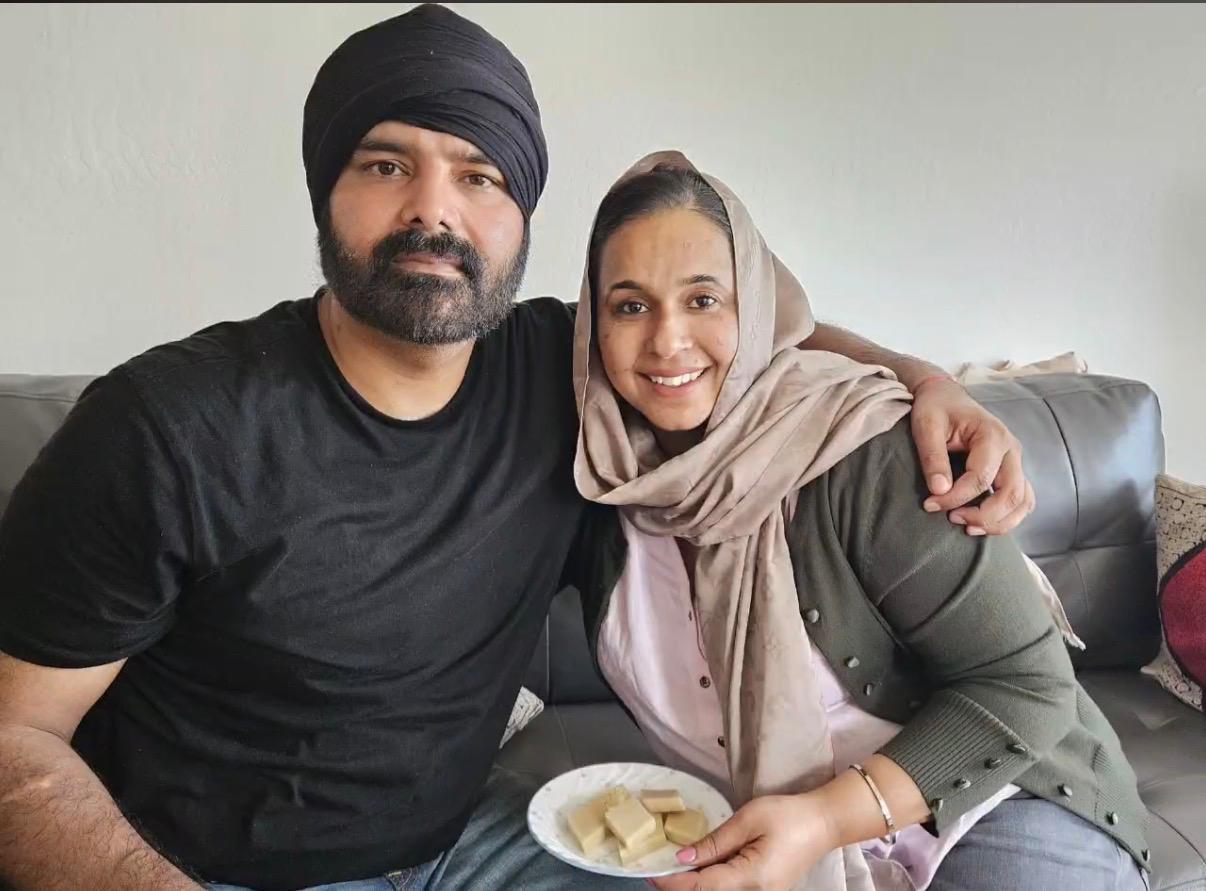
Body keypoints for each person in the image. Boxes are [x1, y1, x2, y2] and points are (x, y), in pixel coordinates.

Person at [0, 6, 1033, 891]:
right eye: (385, 163)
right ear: (326, 192)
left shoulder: (563, 371)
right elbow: (15, 740)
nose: (433, 210)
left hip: (470, 850)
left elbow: (743, 335)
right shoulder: (165, 428)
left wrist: (928, 380)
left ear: (523, 217)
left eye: (481, 175)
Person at [568, 152, 1149, 891]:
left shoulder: (866, 449)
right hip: (756, 832)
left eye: (705, 299)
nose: (667, 340)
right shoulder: (597, 470)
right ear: (593, 325)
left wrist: (823, 820)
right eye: (629, 305)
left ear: (756, 308)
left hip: (995, 799)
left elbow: (1024, 686)